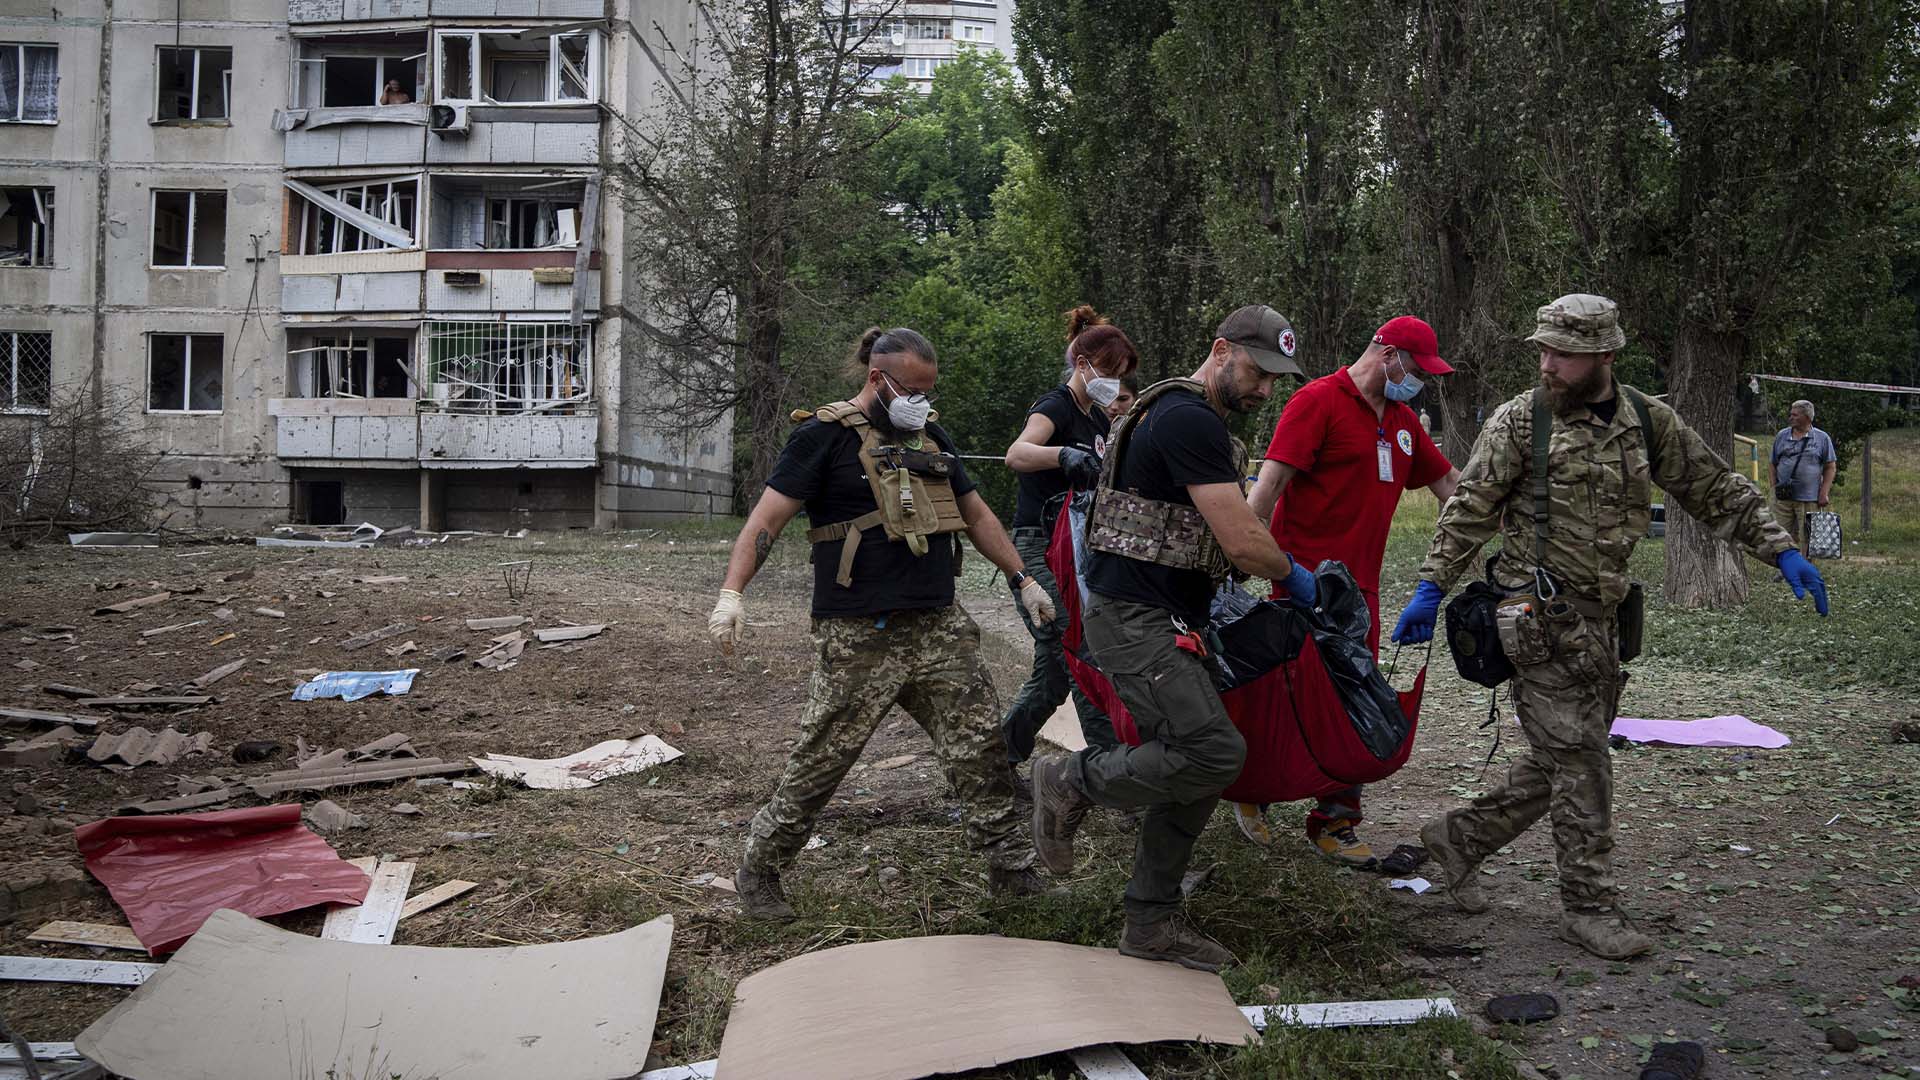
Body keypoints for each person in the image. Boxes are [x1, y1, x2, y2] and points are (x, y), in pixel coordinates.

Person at [1390, 293, 1830, 960]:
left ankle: (1458, 839)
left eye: (1561, 353)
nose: (1547, 364)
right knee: (1583, 762)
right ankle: (1588, 908)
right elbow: (1469, 510)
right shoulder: (1519, 422)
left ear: (1603, 355)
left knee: (1559, 760)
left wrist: (1782, 548)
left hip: (1601, 628)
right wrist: (1430, 588)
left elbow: (1715, 489)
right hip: (1533, 621)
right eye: (1541, 350)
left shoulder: (1649, 423)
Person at [709, 327, 1060, 920]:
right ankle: (761, 868)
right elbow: (766, 519)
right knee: (823, 758)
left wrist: (1023, 579)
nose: (921, 401)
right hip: (858, 633)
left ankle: (1012, 869)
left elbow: (975, 514)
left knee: (981, 748)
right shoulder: (821, 436)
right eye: (912, 389)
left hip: (938, 625)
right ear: (878, 378)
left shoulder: (931, 436)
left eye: (928, 389)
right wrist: (731, 594)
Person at [1030, 304, 1316, 971]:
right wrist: (1294, 576)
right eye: (1257, 371)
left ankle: (1151, 922)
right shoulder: (1187, 418)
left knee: (1195, 762)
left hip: (1162, 614)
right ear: (1220, 350)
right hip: (1137, 617)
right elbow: (1242, 539)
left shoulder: (1183, 415)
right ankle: (1070, 777)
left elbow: (1217, 526)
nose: (1265, 390)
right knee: (1214, 753)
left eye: (1277, 379)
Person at [1233, 316, 1461, 865]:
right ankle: (1250, 790)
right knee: (1286, 697)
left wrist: (1509, 519)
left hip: (1363, 594)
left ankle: (1335, 821)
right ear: (1386, 354)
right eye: (1415, 367)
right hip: (1301, 585)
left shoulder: (1404, 422)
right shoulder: (1317, 402)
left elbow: (1451, 488)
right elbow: (1268, 490)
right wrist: (1241, 559)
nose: (1419, 381)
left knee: (1359, 701)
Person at [999, 307, 1140, 772]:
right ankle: (1109, 772)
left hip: (1076, 547)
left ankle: (995, 764)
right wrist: (1061, 455)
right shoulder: (1055, 406)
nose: (1114, 385)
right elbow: (1017, 454)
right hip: (1036, 543)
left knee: (1052, 676)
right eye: (1109, 373)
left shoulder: (1099, 419)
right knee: (1080, 648)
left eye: (1120, 377)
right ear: (1083, 366)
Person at [1769, 399, 1836, 549]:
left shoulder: (1822, 438)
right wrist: (1774, 487)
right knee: (1781, 538)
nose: (1790, 417)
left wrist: (1824, 492)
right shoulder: (1782, 436)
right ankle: (1785, 571)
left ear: (1807, 417)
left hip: (1809, 499)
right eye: (1790, 414)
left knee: (1809, 539)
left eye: (1795, 415)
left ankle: (1805, 570)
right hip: (1783, 498)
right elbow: (1772, 463)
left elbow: (1830, 467)